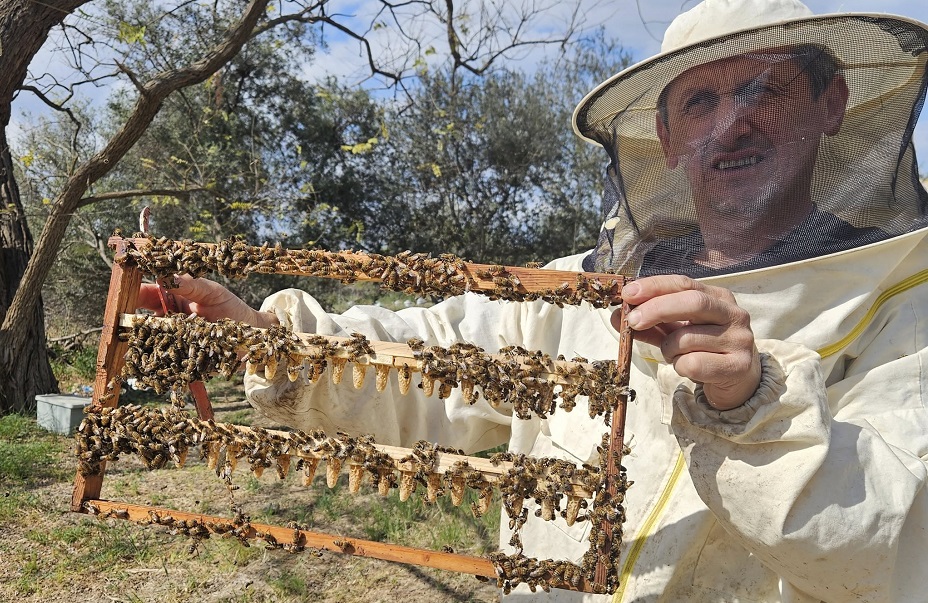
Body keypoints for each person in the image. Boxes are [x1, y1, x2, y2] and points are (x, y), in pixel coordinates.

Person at [139, 0, 928, 600]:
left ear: (833, 104)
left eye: (767, 88)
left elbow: (895, 540)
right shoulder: (574, 293)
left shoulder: (906, 306)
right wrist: (266, 339)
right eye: (700, 102)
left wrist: (755, 405)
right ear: (665, 133)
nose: (733, 123)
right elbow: (426, 362)